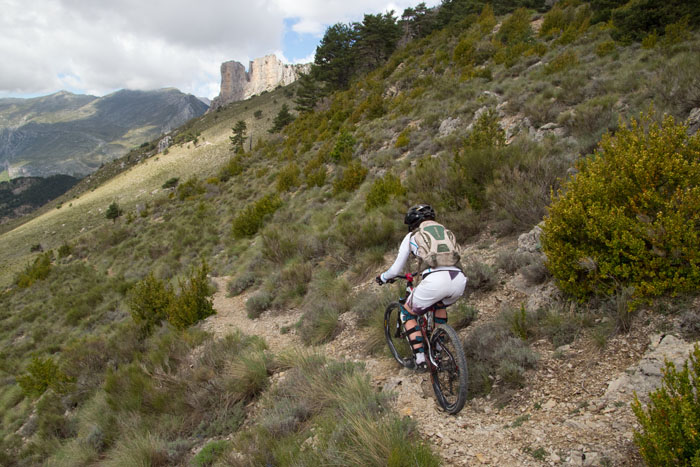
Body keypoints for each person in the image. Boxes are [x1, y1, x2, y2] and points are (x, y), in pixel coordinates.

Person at [376, 204, 467, 368]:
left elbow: (396, 269)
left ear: (412, 223)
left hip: (436, 280)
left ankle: (420, 359)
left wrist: (383, 277)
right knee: (439, 303)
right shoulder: (444, 232)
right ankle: (438, 350)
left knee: (407, 313)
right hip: (458, 279)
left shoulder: (413, 235)